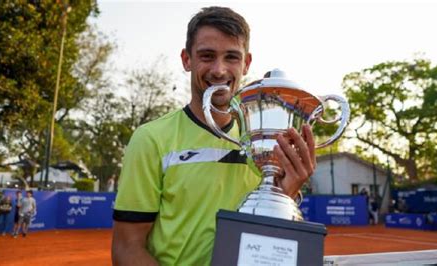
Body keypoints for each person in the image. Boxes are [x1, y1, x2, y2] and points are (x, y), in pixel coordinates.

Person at [111, 6, 316, 265]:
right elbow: (126, 249)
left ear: (246, 63)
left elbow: (270, 243)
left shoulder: (266, 144)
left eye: (231, 57)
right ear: (187, 60)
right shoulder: (151, 139)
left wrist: (284, 196)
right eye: (207, 56)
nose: (219, 70)